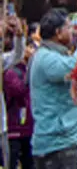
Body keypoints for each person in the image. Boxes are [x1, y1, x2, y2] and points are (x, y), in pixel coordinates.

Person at [29, 8, 77, 169]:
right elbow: (74, 67)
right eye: (68, 28)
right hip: (56, 147)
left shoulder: (55, 55)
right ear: (58, 33)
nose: (72, 32)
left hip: (63, 144)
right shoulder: (46, 58)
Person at [3, 37, 35, 169]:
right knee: (12, 163)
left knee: (30, 164)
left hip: (29, 128)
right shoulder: (11, 72)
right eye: (31, 47)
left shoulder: (29, 70)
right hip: (14, 129)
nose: (33, 51)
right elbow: (19, 90)